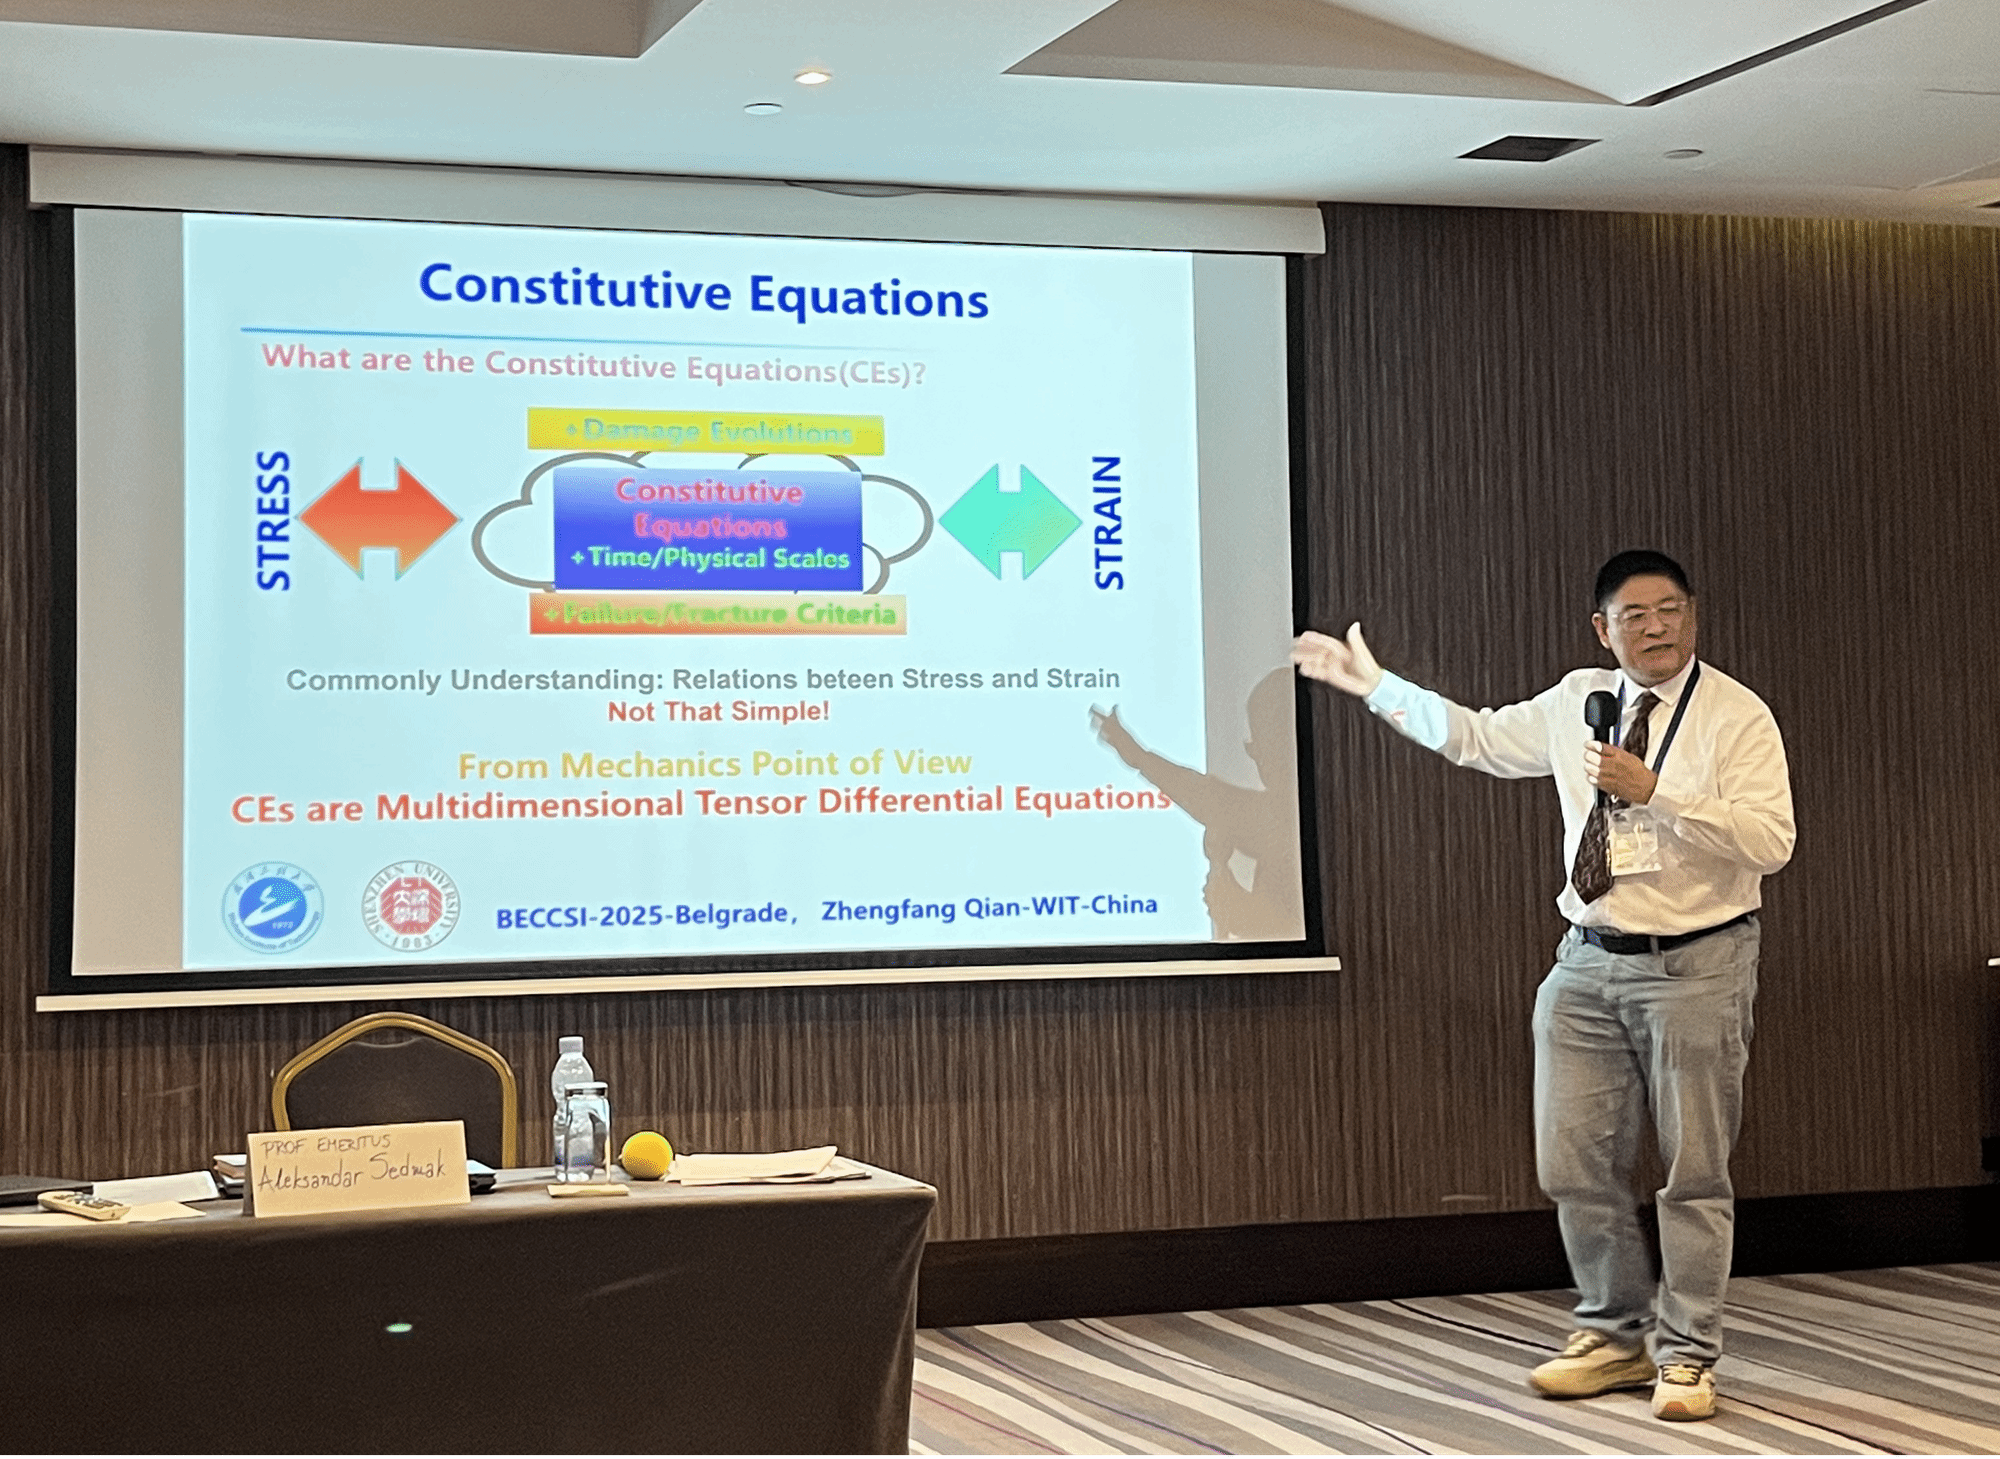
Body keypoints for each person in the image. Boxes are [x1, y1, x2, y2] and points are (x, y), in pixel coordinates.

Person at [1291, 550, 1793, 1423]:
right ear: (1603, 629)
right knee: (1571, 1162)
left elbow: (1771, 842)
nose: (1658, 627)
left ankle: (1687, 1354)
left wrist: (1658, 792)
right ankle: (1614, 1334)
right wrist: (1375, 686)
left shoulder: (1736, 714)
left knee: (1693, 1172)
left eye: (1671, 610)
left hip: (1698, 962)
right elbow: (1477, 740)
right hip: (1587, 959)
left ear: (1694, 615)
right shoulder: (1576, 702)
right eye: (1635, 615)